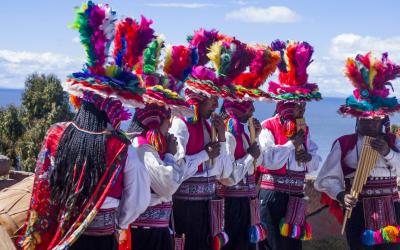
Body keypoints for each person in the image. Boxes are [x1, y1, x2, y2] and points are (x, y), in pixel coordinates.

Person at [17, 3, 153, 249]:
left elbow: (42, 190)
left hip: (59, 236)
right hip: (101, 241)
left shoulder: (56, 135)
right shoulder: (123, 149)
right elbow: (137, 202)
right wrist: (118, 223)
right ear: (113, 107)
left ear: (82, 99)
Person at [169, 30, 253, 250]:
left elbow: (224, 173)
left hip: (211, 207)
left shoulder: (210, 126)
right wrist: (204, 154)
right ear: (198, 101)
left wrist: (223, 139)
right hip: (186, 208)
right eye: (212, 101)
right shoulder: (180, 125)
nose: (216, 106)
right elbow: (175, 172)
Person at [315, 52, 400, 250]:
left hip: (392, 208)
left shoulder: (393, 141)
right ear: (357, 119)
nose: (370, 124)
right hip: (359, 210)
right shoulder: (345, 143)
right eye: (365, 119)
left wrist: (388, 152)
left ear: (382, 120)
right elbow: (325, 179)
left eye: (375, 120)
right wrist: (340, 195)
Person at [127, 37, 204, 250]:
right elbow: (169, 185)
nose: (170, 122)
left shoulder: (154, 147)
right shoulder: (141, 146)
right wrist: (171, 155)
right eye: (167, 116)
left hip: (159, 230)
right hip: (145, 235)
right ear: (155, 119)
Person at [258, 40, 322, 250]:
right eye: (298, 105)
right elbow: (269, 160)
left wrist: (308, 158)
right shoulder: (268, 126)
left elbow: (315, 162)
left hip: (295, 197)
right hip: (272, 196)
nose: (302, 109)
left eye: (303, 105)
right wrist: (291, 144)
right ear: (287, 105)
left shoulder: (305, 129)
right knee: (272, 245)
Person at [217, 45, 280, 250]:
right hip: (231, 206)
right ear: (240, 108)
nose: (253, 108)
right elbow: (229, 177)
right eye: (249, 105)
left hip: (247, 203)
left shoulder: (245, 132)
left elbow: (257, 165)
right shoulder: (228, 134)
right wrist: (249, 156)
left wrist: (257, 139)